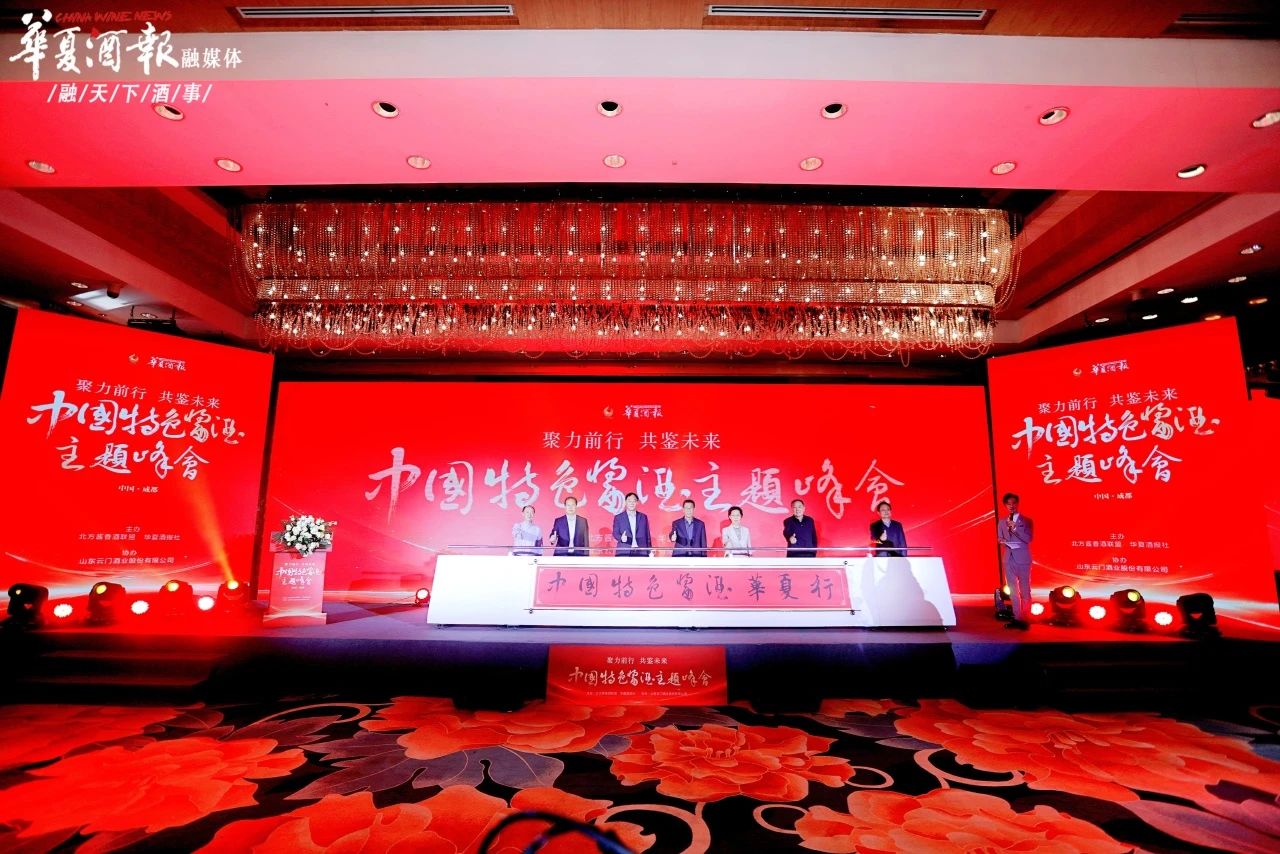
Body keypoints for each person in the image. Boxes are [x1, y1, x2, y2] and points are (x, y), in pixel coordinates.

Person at [998, 492, 1033, 630]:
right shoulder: (1002, 522)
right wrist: (1002, 541)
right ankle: (1017, 617)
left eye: (1013, 503)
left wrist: (1016, 529)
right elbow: (1000, 538)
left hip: (1023, 558)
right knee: (1012, 590)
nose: (1011, 506)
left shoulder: (1027, 521)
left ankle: (1026, 617)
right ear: (1005, 505)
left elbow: (1028, 539)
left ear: (1017, 504)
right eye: (1008, 504)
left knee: (1025, 589)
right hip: (1008, 558)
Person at [611, 492, 652, 557]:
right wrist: (621, 538)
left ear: (637, 502)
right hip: (624, 550)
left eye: (634, 501)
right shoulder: (619, 517)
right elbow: (615, 533)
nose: (632, 503)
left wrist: (649, 550)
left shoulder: (643, 517)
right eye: (629, 501)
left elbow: (647, 535)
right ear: (625, 502)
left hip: (641, 551)